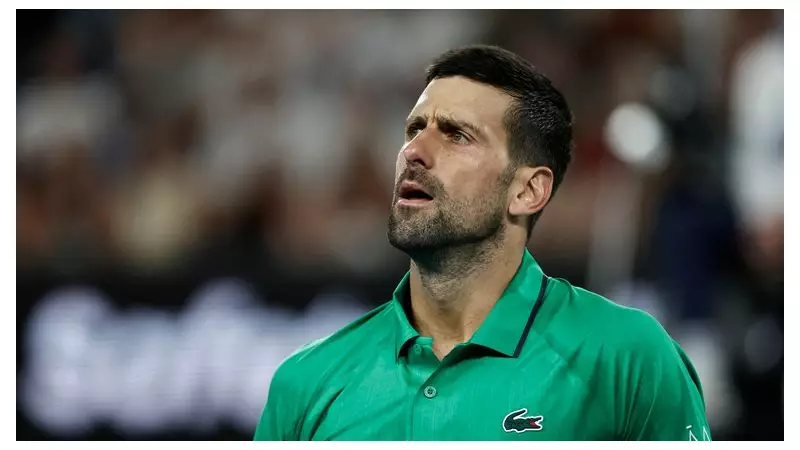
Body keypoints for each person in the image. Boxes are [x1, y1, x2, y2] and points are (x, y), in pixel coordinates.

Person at [253, 45, 711, 441]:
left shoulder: (627, 358)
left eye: (456, 135)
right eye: (415, 129)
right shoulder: (306, 383)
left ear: (528, 191)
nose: (415, 151)